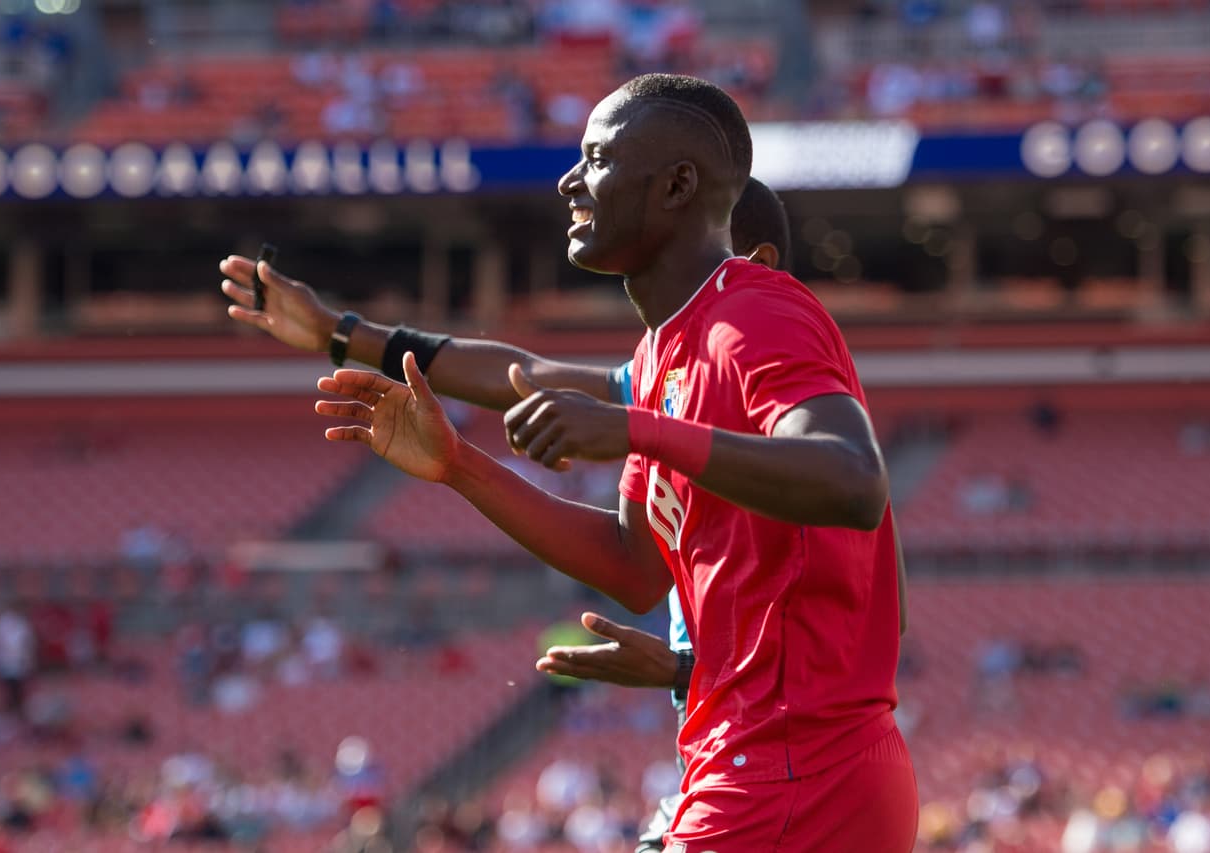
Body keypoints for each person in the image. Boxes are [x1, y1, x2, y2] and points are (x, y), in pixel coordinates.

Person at [308, 73, 917, 851]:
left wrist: (639, 431)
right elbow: (631, 565)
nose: (569, 180)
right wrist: (459, 465)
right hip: (755, 764)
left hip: (792, 775)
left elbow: (854, 480)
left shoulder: (755, 310)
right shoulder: (664, 352)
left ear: (676, 185)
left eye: (595, 158)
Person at [221, 176, 802, 850]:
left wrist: (689, 668)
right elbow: (522, 374)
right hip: (723, 755)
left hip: (772, 766)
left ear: (752, 264)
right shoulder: (671, 380)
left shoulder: (784, 410)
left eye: (670, 255)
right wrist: (340, 332)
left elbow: (864, 613)